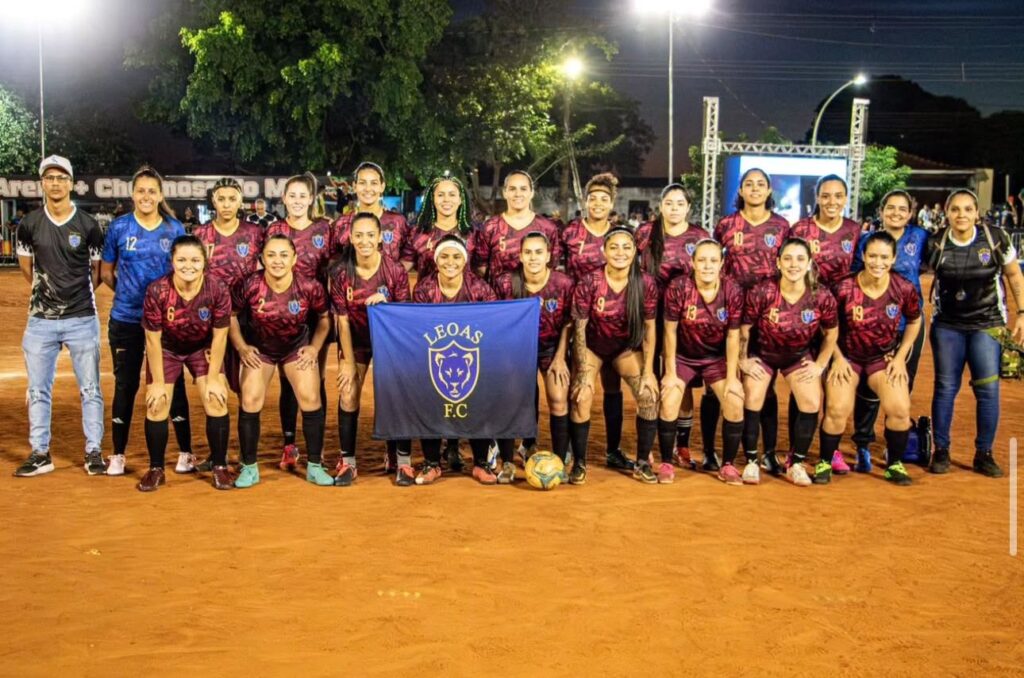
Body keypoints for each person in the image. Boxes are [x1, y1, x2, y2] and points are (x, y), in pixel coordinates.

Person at [14, 155, 106, 477]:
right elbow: (28, 269)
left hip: (82, 318)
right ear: (43, 183)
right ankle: (41, 453)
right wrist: (50, 297)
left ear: (71, 182)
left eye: (61, 177)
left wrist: (74, 297)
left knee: (91, 388)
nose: (55, 183)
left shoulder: (89, 225)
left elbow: (96, 272)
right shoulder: (28, 225)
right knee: (38, 389)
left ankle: (94, 451)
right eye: (49, 177)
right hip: (40, 321)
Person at [926, 189, 1024, 478]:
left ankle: (984, 453)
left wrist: (1022, 313)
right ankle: (940, 450)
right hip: (947, 326)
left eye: (967, 209)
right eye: (955, 209)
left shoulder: (995, 238)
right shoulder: (936, 243)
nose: (961, 215)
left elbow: (1014, 275)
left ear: (976, 213)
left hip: (988, 324)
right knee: (945, 388)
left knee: (988, 390)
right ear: (946, 213)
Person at [100, 166, 189, 476]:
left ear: (160, 195)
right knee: (126, 386)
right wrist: (130, 294)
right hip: (126, 319)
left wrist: (161, 303)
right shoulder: (119, 228)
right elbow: (106, 272)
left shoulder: (174, 228)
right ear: (132, 194)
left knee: (171, 385)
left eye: (152, 191)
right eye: (141, 191)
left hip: (168, 322)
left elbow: (184, 269)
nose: (147, 196)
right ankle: (117, 455)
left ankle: (185, 453)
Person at [229, 235, 331, 488]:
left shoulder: (309, 286)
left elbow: (325, 318)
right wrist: (242, 347)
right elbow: (230, 316)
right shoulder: (249, 284)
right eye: (271, 255)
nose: (277, 261)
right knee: (250, 398)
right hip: (260, 349)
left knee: (310, 397)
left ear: (294, 258)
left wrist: (314, 348)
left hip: (295, 348)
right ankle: (249, 467)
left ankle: (315, 466)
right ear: (262, 258)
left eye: (284, 255)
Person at [822, 231, 922, 486]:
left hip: (881, 359)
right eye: (873, 256)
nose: (878, 262)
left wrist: (900, 357)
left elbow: (915, 320)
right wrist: (837, 358)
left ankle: (895, 464)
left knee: (899, 409)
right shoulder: (844, 287)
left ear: (894, 258)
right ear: (864, 256)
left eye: (885, 257)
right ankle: (826, 459)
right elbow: (826, 326)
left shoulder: (903, 288)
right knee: (837, 409)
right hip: (848, 357)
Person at [740, 238, 838, 486]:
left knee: (811, 400)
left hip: (798, 356)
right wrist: (743, 359)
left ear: (809, 264)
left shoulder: (821, 295)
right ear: (778, 263)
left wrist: (820, 364)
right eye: (788, 258)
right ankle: (752, 460)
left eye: (800, 259)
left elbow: (832, 334)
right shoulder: (763, 291)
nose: (794, 264)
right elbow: (744, 329)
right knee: (752, 395)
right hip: (762, 354)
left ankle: (796, 463)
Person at [138, 236, 233, 491]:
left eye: (194, 260)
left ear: (205, 262)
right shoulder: (157, 290)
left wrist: (214, 378)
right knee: (156, 403)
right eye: (181, 260)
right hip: (167, 349)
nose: (188, 265)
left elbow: (221, 334)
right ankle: (156, 468)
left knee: (216, 398)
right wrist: (157, 382)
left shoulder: (217, 289)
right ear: (172, 262)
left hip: (201, 348)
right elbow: (152, 339)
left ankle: (220, 467)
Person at [714, 168, 790, 475]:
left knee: (764, 385)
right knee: (721, 382)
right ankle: (712, 450)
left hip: (769, 316)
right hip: (730, 315)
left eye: (761, 184)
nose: (755, 188)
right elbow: (715, 265)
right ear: (741, 190)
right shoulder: (726, 225)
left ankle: (766, 452)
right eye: (749, 184)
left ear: (769, 189)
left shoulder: (783, 226)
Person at [569, 226, 660, 484]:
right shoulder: (590, 281)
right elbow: (580, 328)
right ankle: (579, 462)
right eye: (614, 247)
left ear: (634, 252)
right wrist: (584, 373)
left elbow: (651, 329)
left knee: (648, 395)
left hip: (625, 349)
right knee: (581, 394)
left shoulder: (646, 283)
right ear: (604, 251)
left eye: (626, 247)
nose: (620, 252)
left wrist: (649, 371)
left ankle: (641, 462)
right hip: (592, 346)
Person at [330, 213, 412, 487]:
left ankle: (402, 461)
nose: (364, 241)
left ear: (380, 238)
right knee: (349, 392)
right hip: (357, 341)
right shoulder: (341, 274)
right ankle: (348, 462)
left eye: (370, 235)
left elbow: (406, 316)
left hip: (390, 342)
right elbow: (341, 321)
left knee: (397, 395)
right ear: (351, 238)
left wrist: (387, 303)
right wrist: (348, 361)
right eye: (359, 235)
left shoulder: (395, 271)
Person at [849, 190, 929, 471]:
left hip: (909, 323)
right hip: (871, 324)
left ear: (911, 212)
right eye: (890, 208)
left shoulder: (920, 238)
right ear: (881, 211)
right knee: (867, 388)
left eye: (902, 209)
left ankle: (895, 446)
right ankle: (862, 444)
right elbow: (854, 279)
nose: (896, 213)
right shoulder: (866, 241)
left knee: (899, 382)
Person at [560, 173, 634, 472]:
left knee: (612, 385)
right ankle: (567, 448)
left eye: (604, 199)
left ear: (612, 203)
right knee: (578, 384)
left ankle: (613, 449)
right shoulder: (571, 232)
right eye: (593, 198)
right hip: (578, 320)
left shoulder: (619, 236)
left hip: (613, 322)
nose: (598, 203)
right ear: (585, 201)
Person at [788, 174, 862, 472]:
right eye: (826, 195)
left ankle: (831, 450)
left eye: (838, 195)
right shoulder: (801, 229)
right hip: (804, 314)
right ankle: (797, 448)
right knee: (804, 380)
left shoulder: (855, 231)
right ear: (817, 198)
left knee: (836, 381)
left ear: (846, 198)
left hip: (841, 317)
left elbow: (860, 271)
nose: (832, 201)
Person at [412, 235, 498, 484]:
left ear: (465, 260)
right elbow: (417, 328)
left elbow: (494, 322)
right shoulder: (424, 289)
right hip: (435, 360)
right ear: (436, 260)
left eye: (457, 256)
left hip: (472, 360)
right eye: (445, 256)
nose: (451, 262)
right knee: (428, 399)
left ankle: (481, 463)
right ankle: (431, 463)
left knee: (479, 399)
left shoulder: (479, 288)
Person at [636, 183, 711, 469]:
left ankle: (681, 444)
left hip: (684, 321)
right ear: (661, 206)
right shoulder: (645, 233)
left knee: (681, 382)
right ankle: (649, 443)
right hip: (649, 316)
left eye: (680, 203)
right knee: (650, 377)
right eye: (669, 203)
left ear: (688, 207)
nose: (675, 208)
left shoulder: (699, 236)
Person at [658, 240, 745, 485]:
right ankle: (666, 461)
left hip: (714, 359)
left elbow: (733, 335)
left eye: (713, 261)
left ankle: (727, 465)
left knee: (734, 401)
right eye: (702, 260)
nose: (707, 266)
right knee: (669, 399)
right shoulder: (679, 287)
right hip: (682, 356)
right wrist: (671, 373)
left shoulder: (733, 290)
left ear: (722, 264)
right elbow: (670, 332)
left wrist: (731, 378)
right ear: (693, 263)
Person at [493, 232, 574, 482]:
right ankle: (507, 460)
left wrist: (561, 356)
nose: (533, 257)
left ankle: (559, 460)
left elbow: (569, 323)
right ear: (520, 255)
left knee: (559, 398)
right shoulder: (506, 283)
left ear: (549, 255)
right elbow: (497, 319)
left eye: (539, 252)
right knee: (510, 396)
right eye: (528, 252)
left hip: (551, 348)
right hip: (516, 349)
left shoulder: (563, 284)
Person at [266, 173, 333, 470]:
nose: (296, 201)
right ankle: (289, 445)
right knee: (288, 381)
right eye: (291, 196)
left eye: (302, 196)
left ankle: (318, 445)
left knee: (315, 379)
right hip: (281, 316)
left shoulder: (324, 229)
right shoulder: (274, 229)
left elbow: (337, 267)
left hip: (315, 315)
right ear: (283, 199)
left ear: (311, 199)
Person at [473, 170, 561, 284]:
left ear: (532, 193)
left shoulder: (547, 227)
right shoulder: (491, 227)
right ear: (504, 192)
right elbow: (481, 267)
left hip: (534, 298)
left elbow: (551, 266)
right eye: (512, 189)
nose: (518, 194)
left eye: (523, 189)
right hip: (500, 299)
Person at [331, 162, 408, 263]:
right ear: (354, 186)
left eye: (374, 183)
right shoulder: (341, 223)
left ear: (382, 186)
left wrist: (392, 276)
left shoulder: (398, 222)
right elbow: (333, 259)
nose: (368, 189)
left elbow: (408, 256)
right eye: (362, 183)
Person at [401, 175, 475, 277]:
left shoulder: (473, 234)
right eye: (440, 195)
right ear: (432, 199)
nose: (446, 199)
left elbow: (481, 271)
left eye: (452, 195)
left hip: (465, 293)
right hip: (425, 292)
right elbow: (402, 268)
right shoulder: (418, 233)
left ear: (460, 199)